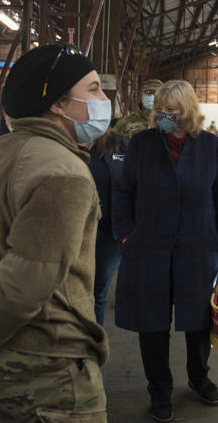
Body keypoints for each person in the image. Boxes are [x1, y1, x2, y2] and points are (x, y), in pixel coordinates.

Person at [0, 44, 111, 421]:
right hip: (46, 374)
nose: (103, 99)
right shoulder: (63, 172)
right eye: (93, 89)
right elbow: (28, 279)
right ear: (59, 104)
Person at [113, 79, 218, 423]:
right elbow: (123, 191)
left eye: (172, 110)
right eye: (161, 110)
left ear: (188, 111)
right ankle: (160, 391)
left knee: (199, 321)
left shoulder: (211, 146)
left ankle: (199, 378)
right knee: (152, 325)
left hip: (199, 247)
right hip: (149, 248)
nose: (166, 116)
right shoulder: (141, 144)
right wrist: (126, 235)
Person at [87, 121, 127, 325]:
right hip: (72, 230)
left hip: (107, 234)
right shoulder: (62, 145)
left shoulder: (120, 146)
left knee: (96, 293)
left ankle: (92, 349)